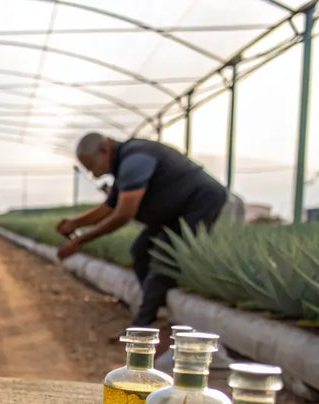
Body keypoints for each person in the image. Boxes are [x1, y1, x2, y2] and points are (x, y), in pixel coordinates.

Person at [56, 133, 244, 328]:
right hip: (174, 212)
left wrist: (80, 241)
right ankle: (158, 309)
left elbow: (123, 214)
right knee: (141, 250)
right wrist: (75, 223)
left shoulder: (135, 159)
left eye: (91, 167)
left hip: (200, 203)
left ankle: (144, 324)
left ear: (104, 150)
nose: (93, 175)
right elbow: (109, 207)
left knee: (165, 258)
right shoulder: (123, 165)